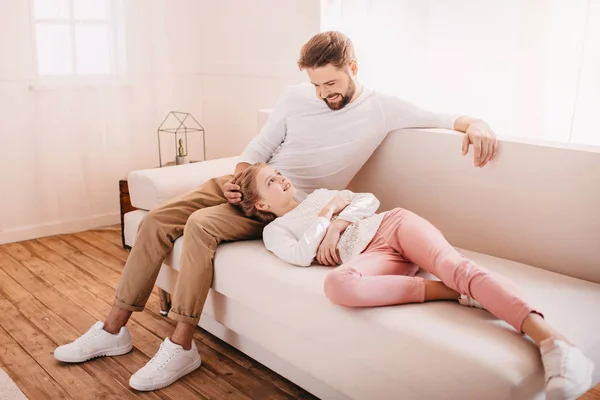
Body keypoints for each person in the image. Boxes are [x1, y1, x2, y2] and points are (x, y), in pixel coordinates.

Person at [53, 31, 499, 392]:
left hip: (282, 207)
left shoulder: (383, 108)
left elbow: (447, 117)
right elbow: (257, 150)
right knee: (153, 221)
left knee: (200, 226)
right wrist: (242, 177)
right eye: (316, 85)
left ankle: (182, 344)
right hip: (246, 184)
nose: (324, 94)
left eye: (332, 84)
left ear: (354, 69)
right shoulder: (295, 98)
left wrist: (478, 124)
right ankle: (113, 331)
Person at [237, 162, 595, 400]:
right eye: (270, 181)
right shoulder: (275, 231)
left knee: (453, 264)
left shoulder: (319, 196)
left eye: (278, 172)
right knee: (338, 285)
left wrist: (337, 218)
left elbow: (367, 200)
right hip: (374, 257)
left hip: (393, 225)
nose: (282, 178)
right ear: (262, 204)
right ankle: (451, 292)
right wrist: (326, 223)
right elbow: (300, 255)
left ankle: (557, 344)